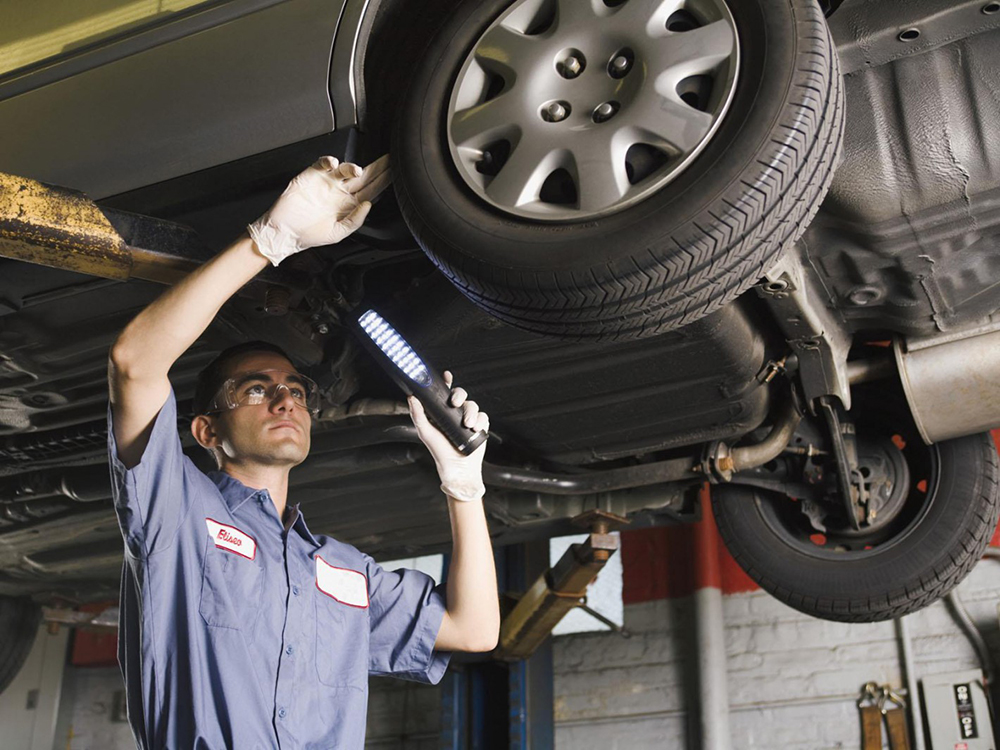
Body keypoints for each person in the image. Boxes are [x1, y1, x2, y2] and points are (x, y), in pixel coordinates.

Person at [106, 154, 499, 749]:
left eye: (295, 389)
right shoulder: (179, 513)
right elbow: (134, 363)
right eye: (255, 389)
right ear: (207, 432)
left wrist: (464, 486)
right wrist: (271, 239)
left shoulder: (341, 571)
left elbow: (474, 630)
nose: (285, 399)